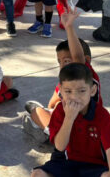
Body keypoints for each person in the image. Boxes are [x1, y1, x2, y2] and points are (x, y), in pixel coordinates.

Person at [22, 9, 102, 142]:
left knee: (37, 112)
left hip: (80, 129)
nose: (62, 66)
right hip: (71, 125)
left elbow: (78, 57)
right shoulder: (66, 80)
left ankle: (49, 133)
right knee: (47, 109)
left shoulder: (85, 74)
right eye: (60, 62)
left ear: (86, 60)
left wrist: (69, 27)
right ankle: (48, 130)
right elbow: (52, 104)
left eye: (67, 61)